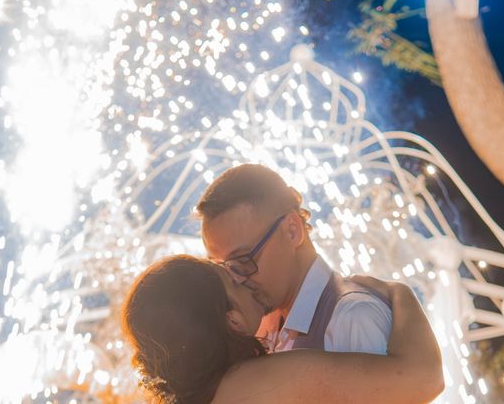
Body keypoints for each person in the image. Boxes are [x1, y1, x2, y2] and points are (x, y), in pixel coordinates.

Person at [121, 254, 444, 404]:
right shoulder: (262, 381)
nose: (244, 279)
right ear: (231, 320)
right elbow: (422, 378)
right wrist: (399, 292)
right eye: (232, 281)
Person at [196, 164, 393, 354]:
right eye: (222, 268)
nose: (235, 279)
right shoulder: (257, 322)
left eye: (243, 260)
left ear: (292, 231)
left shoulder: (352, 319)